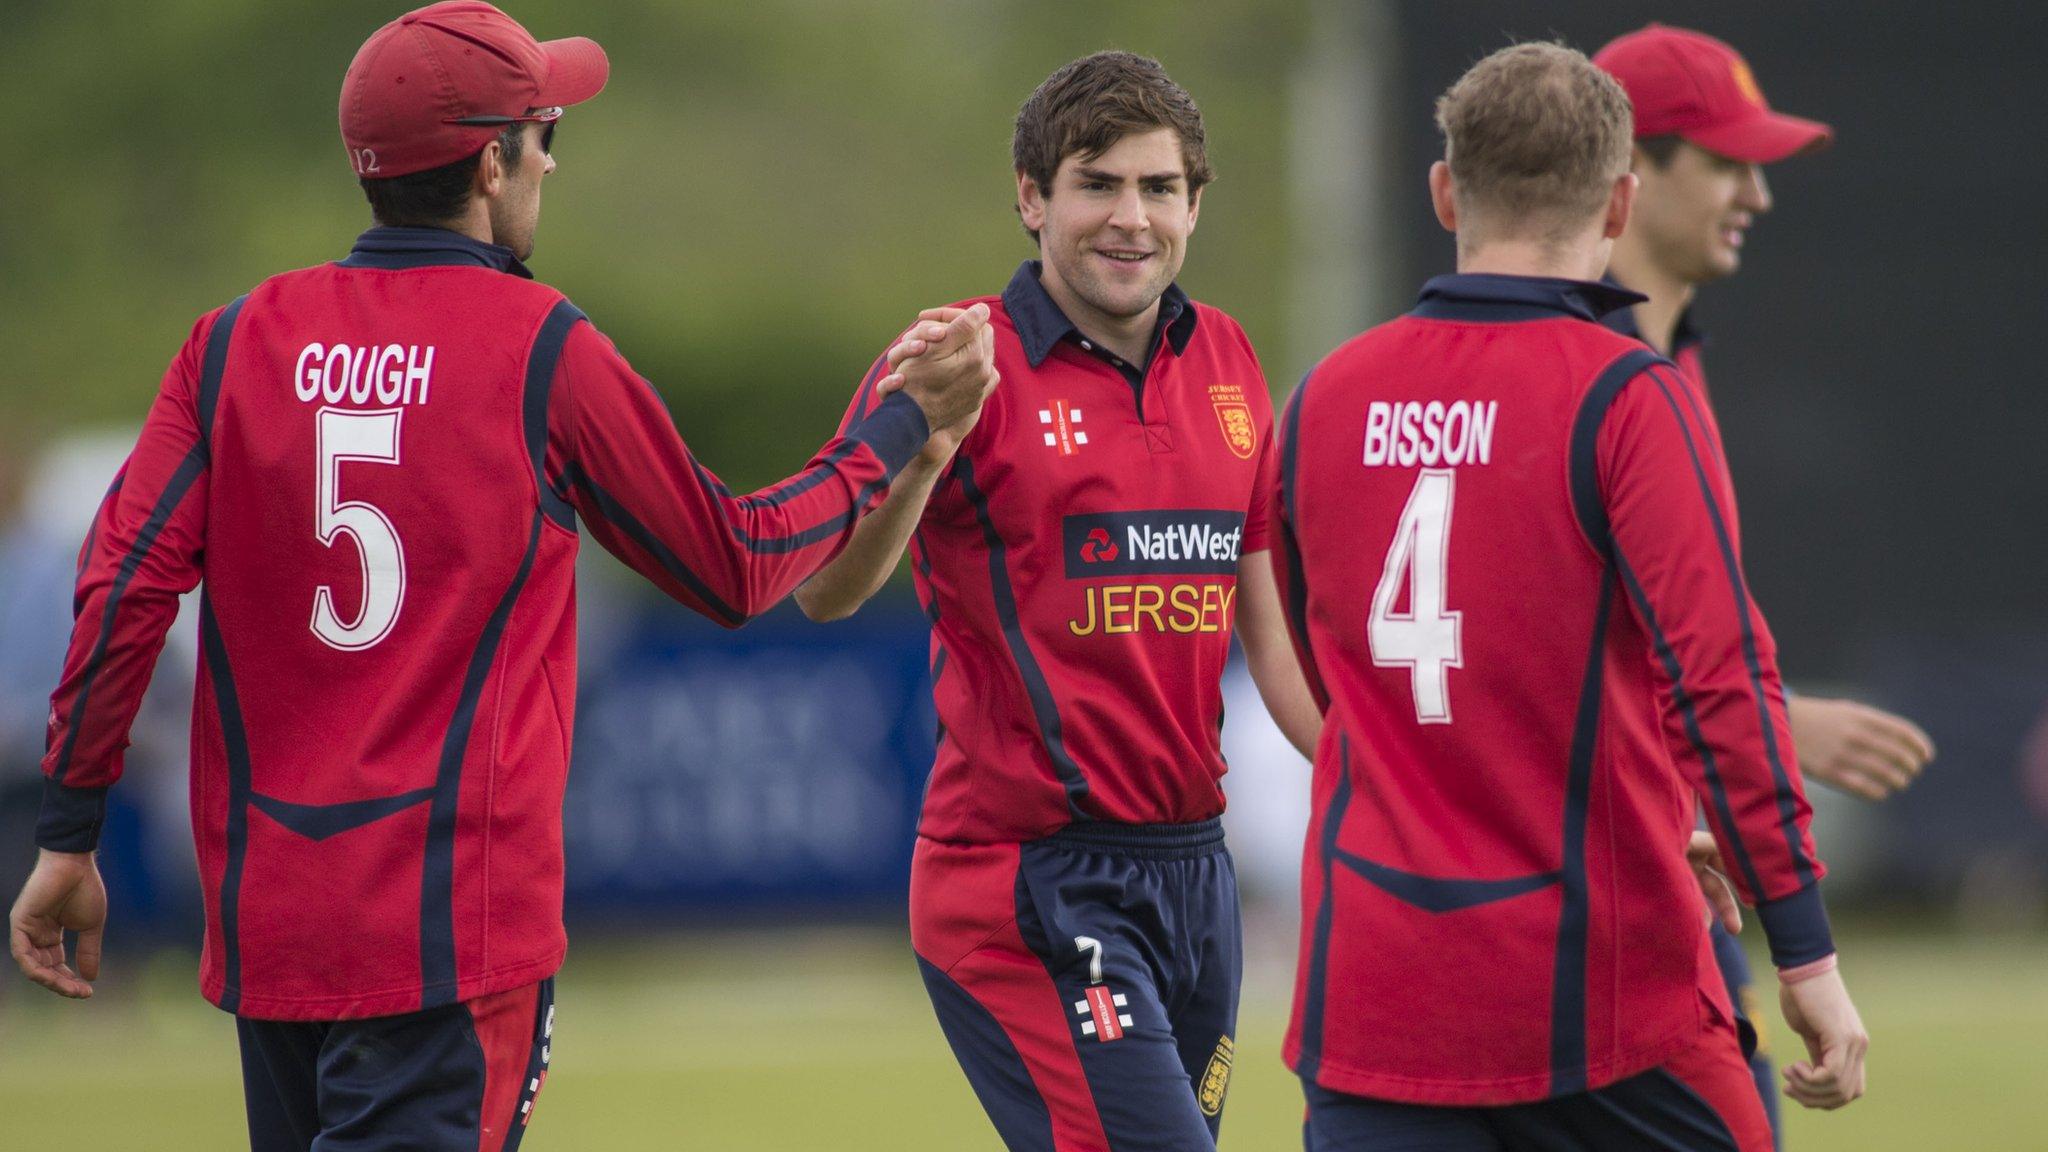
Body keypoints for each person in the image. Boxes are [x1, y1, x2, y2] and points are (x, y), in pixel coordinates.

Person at [6, 3, 997, 1149]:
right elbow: (736, 565)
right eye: (544, 131)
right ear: (490, 162)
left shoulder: (231, 343)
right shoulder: (539, 346)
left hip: (273, 929)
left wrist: (69, 831)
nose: (552, 159)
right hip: (449, 938)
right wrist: (894, 432)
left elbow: (122, 585)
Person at [1274, 42, 1867, 1151]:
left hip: (1374, 994)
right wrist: (1804, 954)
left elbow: (1322, 671)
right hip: (1594, 1000)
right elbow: (1721, 681)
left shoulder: (1318, 398)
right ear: (1621, 198)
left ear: (1445, 190)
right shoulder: (1628, 395)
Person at [794, 51, 1321, 1150]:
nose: (1129, 218)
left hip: (1193, 874)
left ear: (1194, 204)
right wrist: (926, 451)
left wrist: (1426, 796)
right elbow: (826, 590)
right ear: (1032, 197)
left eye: (1157, 188)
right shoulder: (951, 357)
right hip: (1028, 883)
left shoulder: (1226, 359)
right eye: (1096, 183)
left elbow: (1275, 645)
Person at [1593, 26, 1935, 1145]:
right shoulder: (1593, 377)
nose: (1757, 195)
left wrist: (1770, 722)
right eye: (1728, 163)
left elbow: (1638, 648)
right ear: (1632, 171)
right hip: (1594, 929)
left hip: (1663, 890)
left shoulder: (1671, 355)